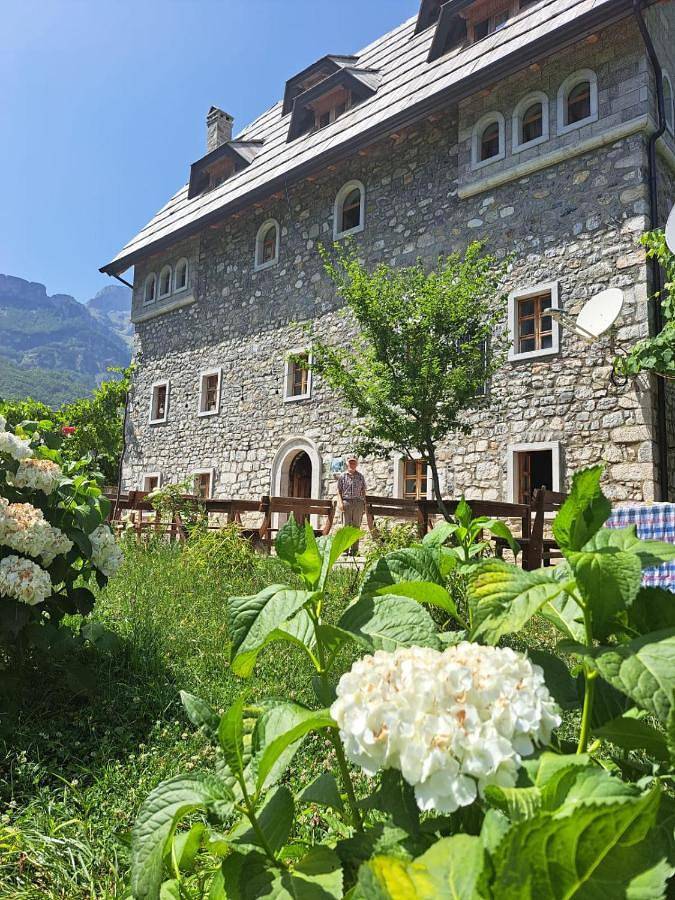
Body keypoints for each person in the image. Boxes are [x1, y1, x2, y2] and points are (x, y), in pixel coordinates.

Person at [337, 454, 367, 555]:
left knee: (356, 527)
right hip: (346, 502)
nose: (352, 464)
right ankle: (345, 550)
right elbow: (338, 490)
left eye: (354, 462)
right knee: (346, 527)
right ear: (347, 463)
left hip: (358, 503)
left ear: (357, 464)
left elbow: (363, 491)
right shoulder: (342, 476)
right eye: (350, 462)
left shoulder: (360, 477)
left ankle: (354, 551)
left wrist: (363, 504)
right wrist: (340, 503)